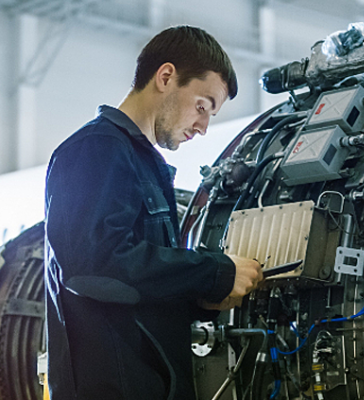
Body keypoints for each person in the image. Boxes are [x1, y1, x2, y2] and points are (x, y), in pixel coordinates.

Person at [44, 26, 263, 400]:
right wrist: (212, 272)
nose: (203, 127)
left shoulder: (141, 163)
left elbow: (141, 284)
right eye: (202, 106)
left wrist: (203, 298)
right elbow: (95, 265)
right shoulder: (96, 149)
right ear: (166, 77)